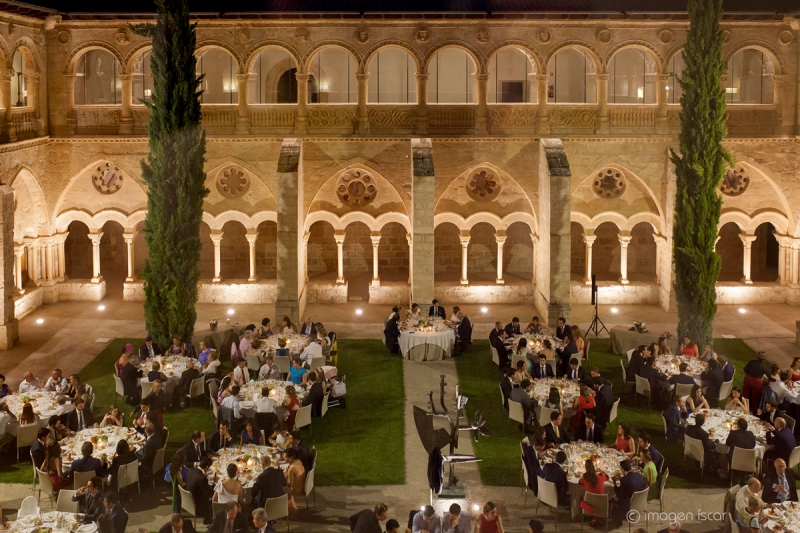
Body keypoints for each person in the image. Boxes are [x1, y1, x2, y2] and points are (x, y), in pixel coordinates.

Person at [611, 459, 648, 524]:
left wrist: (614, 483)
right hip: (641, 502)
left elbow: (619, 495)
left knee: (611, 498)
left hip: (629, 506)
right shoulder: (639, 475)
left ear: (622, 469)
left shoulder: (624, 480)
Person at [579, 459, 609, 525]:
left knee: (580, 497)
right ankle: (597, 518)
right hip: (602, 506)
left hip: (589, 506)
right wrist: (601, 472)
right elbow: (607, 477)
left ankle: (584, 515)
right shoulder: (600, 477)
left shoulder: (585, 477)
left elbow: (580, 482)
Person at [186, 458, 214, 523]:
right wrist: (214, 483)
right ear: (207, 467)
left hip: (188, 499)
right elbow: (208, 493)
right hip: (196, 503)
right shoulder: (202, 478)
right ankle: (208, 519)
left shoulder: (191, 470)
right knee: (215, 496)